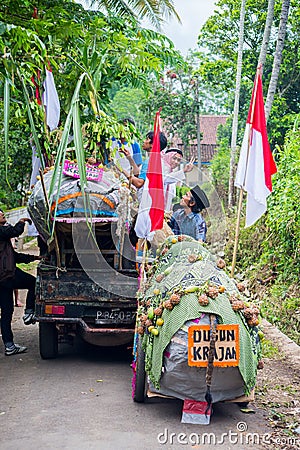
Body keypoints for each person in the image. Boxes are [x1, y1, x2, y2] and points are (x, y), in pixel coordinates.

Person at [0, 210, 42, 356]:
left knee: (7, 312)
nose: (2, 214)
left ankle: (9, 345)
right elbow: (14, 231)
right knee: (34, 282)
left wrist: (35, 257)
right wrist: (22, 221)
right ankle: (29, 312)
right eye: (0, 213)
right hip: (7, 275)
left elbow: (15, 256)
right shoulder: (1, 232)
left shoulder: (3, 239)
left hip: (4, 277)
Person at [122, 131, 168, 200]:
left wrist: (122, 170)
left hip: (146, 200)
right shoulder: (157, 160)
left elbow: (139, 183)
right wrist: (129, 158)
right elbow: (139, 175)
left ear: (152, 144)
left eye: (147, 139)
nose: (144, 141)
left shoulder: (150, 161)